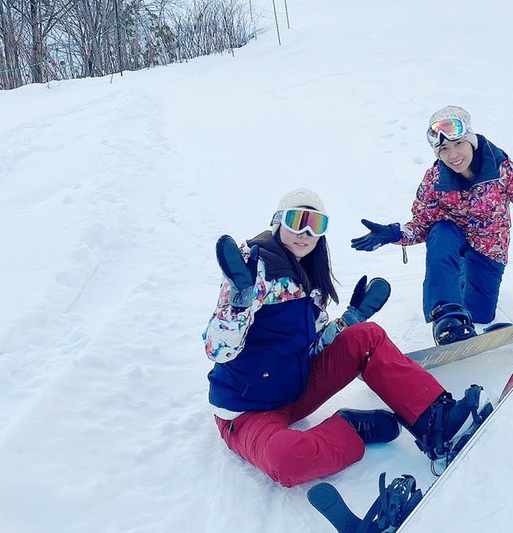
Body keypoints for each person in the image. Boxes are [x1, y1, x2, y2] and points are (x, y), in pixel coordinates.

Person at [203, 188, 490, 488]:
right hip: (247, 410)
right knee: (286, 459)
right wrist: (239, 302)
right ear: (278, 222)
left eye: (316, 225)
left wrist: (350, 320)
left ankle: (437, 422)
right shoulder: (254, 269)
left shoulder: (308, 278)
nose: (305, 233)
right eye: (296, 220)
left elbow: (312, 346)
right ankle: (352, 427)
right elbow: (217, 349)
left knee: (366, 336)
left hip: (294, 390)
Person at [351, 106, 513, 345]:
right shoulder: (435, 179)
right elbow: (423, 224)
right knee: (441, 231)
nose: (453, 155)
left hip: (488, 250)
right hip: (451, 243)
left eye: (458, 144)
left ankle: (462, 279)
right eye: (444, 149)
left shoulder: (501, 169)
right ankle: (446, 316)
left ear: (470, 140)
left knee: (480, 315)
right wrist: (394, 234)